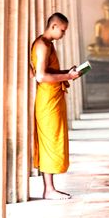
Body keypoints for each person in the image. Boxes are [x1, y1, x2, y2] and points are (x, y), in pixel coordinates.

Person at [31, 12, 80, 200]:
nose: (63, 34)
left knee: (54, 139)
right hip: (47, 99)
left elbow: (49, 71)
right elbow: (41, 76)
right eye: (63, 30)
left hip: (53, 96)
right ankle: (49, 189)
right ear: (53, 26)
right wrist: (68, 76)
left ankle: (50, 188)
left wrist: (68, 72)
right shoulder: (42, 45)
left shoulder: (48, 44)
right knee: (49, 140)